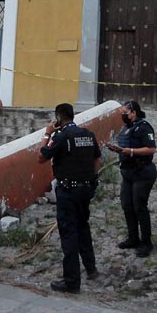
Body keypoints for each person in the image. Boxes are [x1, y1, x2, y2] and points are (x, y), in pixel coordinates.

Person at [37, 103, 102, 294]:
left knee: (69, 234)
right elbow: (97, 159)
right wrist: (92, 178)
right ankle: (91, 269)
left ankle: (72, 281)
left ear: (58, 118)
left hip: (68, 191)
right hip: (86, 189)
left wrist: (47, 134)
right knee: (83, 227)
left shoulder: (61, 136)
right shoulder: (88, 135)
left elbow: (41, 157)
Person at [106, 100, 157, 258]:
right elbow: (125, 146)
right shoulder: (126, 128)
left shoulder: (143, 127)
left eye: (125, 113)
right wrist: (118, 149)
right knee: (127, 205)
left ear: (134, 112)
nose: (123, 115)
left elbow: (151, 148)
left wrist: (130, 151)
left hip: (142, 172)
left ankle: (146, 242)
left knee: (139, 207)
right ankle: (133, 237)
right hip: (127, 172)